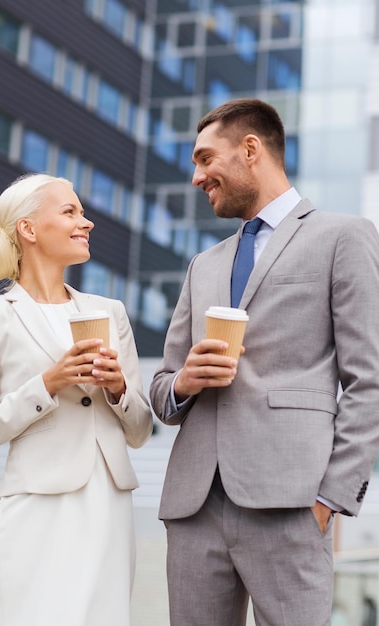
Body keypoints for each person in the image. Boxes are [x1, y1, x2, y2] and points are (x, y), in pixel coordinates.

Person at [149, 98, 379, 626]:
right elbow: (163, 391)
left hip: (293, 505)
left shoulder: (342, 236)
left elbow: (369, 382)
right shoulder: (202, 265)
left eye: (205, 159)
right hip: (194, 508)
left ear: (250, 149)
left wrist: (329, 499)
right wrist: (184, 381)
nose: (197, 177)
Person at [0, 173, 153, 626]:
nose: (86, 222)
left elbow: (141, 430)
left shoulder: (110, 313)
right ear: (28, 228)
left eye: (82, 212)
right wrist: (47, 384)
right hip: (38, 507)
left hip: (108, 504)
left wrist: (118, 389)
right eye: (70, 212)